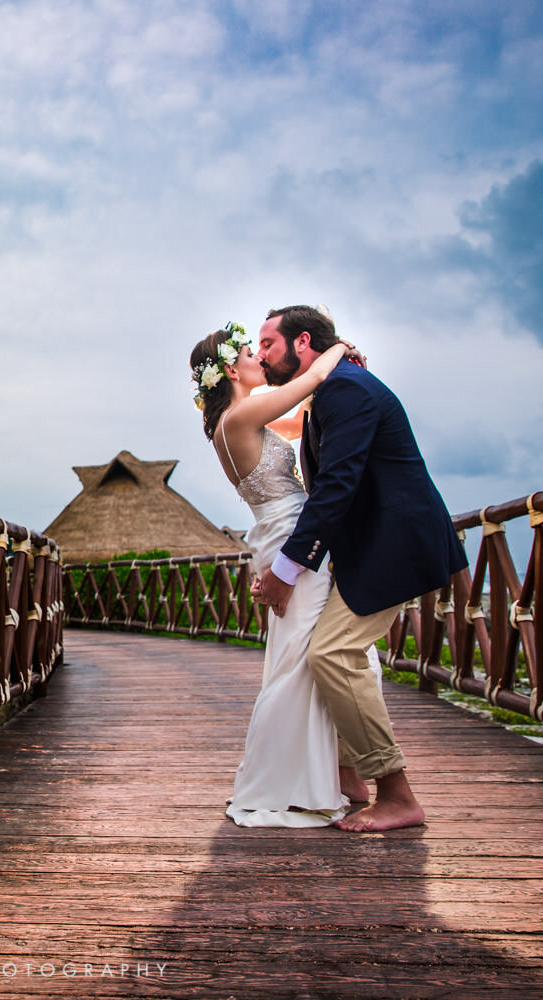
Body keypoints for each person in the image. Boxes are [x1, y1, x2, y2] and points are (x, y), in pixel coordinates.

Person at [252, 305, 468, 832]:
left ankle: (396, 793)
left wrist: (287, 570)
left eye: (267, 344)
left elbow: (336, 489)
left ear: (303, 342)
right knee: (324, 653)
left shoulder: (346, 389)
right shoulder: (335, 385)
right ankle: (350, 777)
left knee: (333, 652)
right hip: (372, 548)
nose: (260, 355)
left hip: (395, 548)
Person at [190, 321, 367, 827]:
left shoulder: (237, 420)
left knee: (298, 652)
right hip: (291, 536)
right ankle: (284, 780)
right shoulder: (241, 414)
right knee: (299, 661)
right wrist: (335, 351)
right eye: (251, 352)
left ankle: (339, 770)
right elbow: (305, 387)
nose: (260, 358)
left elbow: (298, 418)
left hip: (280, 532)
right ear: (230, 369)